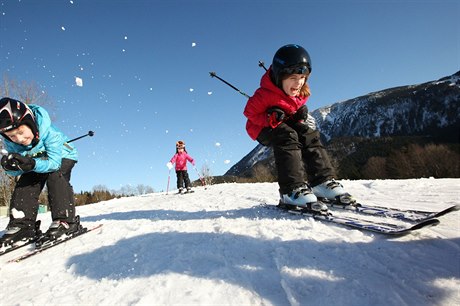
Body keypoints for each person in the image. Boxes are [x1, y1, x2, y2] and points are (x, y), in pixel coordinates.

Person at [243, 44, 353, 212]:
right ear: (280, 76)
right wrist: (268, 117)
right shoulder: (264, 94)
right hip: (260, 127)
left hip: (283, 122)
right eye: (293, 77)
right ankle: (291, 190)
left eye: (303, 77)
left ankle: (321, 182)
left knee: (308, 134)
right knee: (287, 135)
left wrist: (297, 114)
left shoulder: (300, 93)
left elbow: (292, 110)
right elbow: (249, 113)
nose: (298, 83)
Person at [0, 97, 80, 246]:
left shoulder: (50, 132)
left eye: (21, 132)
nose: (19, 139)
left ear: (29, 122)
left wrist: (31, 164)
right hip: (37, 162)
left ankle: (65, 220)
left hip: (62, 156)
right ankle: (23, 225)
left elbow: (54, 164)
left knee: (56, 177)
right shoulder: (11, 143)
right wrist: (11, 168)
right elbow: (18, 171)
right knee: (26, 181)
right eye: (12, 136)